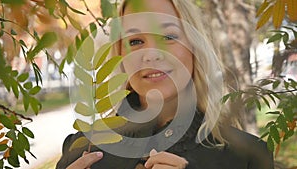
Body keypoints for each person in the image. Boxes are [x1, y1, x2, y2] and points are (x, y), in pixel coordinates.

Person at [56, 0, 274, 168]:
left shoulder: (245, 157)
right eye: (135, 41)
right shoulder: (81, 149)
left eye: (169, 37)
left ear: (194, 47)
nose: (151, 55)